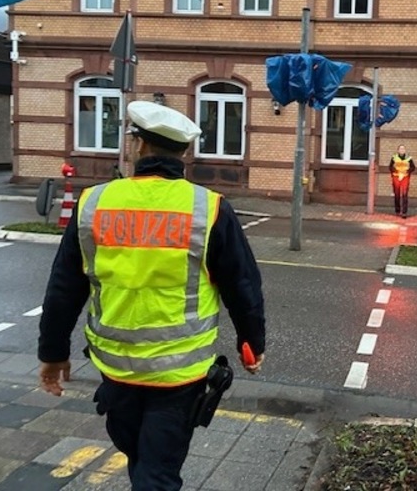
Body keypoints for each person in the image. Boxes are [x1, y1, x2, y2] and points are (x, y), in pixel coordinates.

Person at [37, 100, 265, 491]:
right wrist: (252, 343)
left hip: (116, 370)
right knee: (156, 471)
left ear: (139, 145)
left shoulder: (93, 203)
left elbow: (64, 286)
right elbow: (242, 285)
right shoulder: (208, 209)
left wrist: (53, 353)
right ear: (184, 152)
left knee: (142, 461)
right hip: (180, 374)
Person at [389, 144, 416, 218]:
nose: (402, 150)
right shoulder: (394, 157)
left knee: (404, 194)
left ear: (405, 150)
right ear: (398, 150)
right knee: (397, 194)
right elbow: (390, 167)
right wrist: (396, 171)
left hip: (405, 178)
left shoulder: (409, 158)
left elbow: (413, 167)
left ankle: (404, 212)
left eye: (403, 149)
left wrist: (407, 171)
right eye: (400, 149)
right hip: (396, 177)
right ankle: (397, 211)